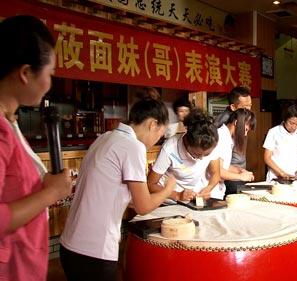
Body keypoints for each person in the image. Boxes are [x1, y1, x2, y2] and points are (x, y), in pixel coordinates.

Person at [60, 99, 175, 281]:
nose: (156, 142)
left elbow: (111, 191)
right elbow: (142, 207)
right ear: (153, 124)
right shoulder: (133, 146)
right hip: (94, 251)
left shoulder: (105, 137)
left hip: (69, 245)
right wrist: (168, 189)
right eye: (159, 135)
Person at [0, 15, 73, 281]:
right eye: (50, 74)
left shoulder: (10, 121)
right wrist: (50, 193)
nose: (50, 84)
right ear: (26, 73)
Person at [148, 108, 222, 200]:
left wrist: (208, 188)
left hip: (193, 198)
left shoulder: (210, 143)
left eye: (206, 155)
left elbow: (215, 174)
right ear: (187, 141)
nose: (201, 159)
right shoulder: (170, 148)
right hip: (170, 199)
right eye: (197, 154)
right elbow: (150, 185)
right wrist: (177, 195)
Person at [263, 100, 297, 181]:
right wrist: (281, 173)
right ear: (285, 119)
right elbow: (267, 158)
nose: (294, 127)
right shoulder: (274, 132)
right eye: (291, 123)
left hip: (295, 177)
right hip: (276, 177)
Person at [217, 109, 256, 196]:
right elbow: (217, 170)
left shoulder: (228, 137)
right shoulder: (221, 137)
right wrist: (240, 177)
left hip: (219, 190)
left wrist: (240, 170)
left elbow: (224, 166)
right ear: (236, 122)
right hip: (210, 192)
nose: (245, 134)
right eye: (245, 129)